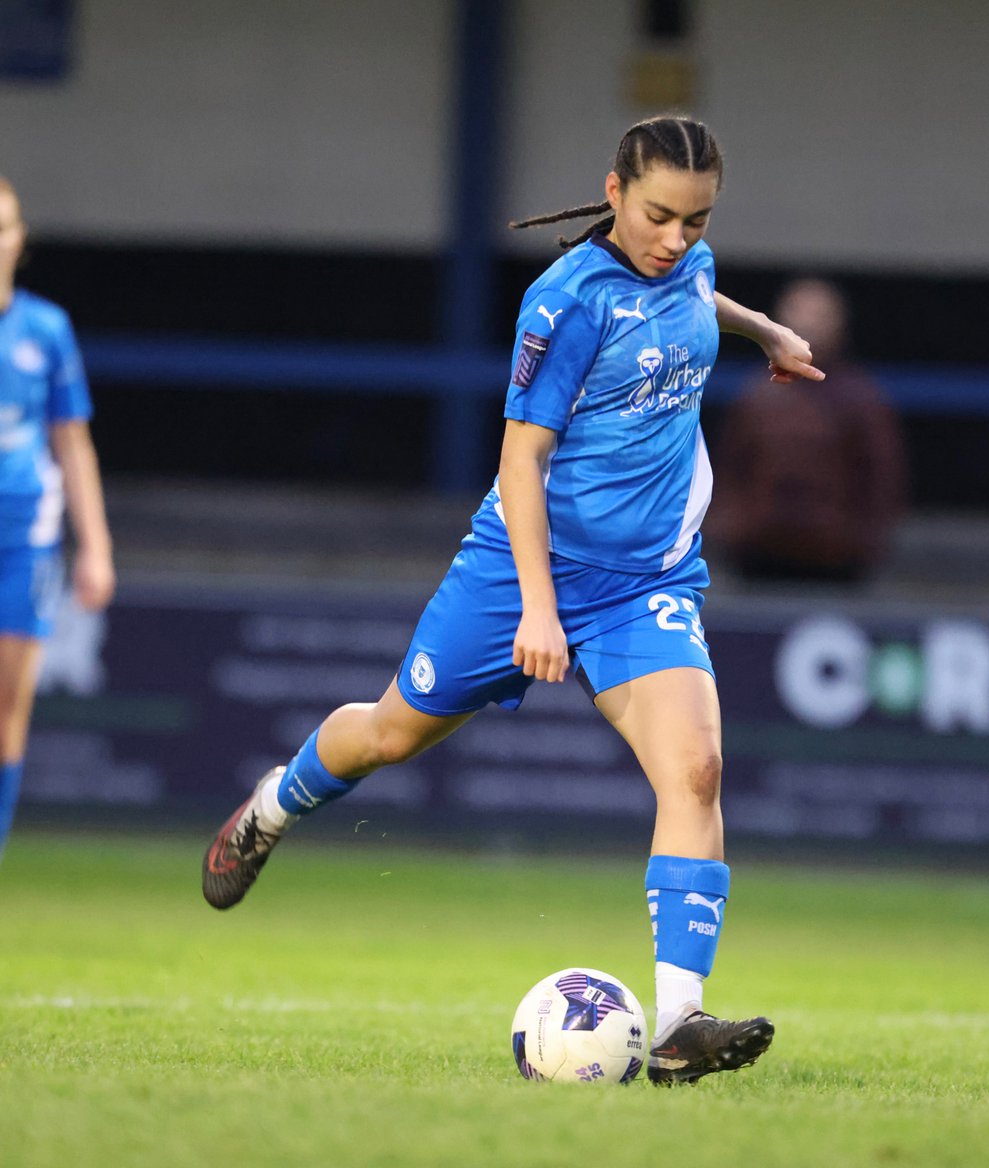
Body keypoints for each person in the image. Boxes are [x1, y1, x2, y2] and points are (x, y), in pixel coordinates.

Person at [201, 116, 824, 1086]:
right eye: (659, 216)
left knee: (696, 769)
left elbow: (697, 293)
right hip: (518, 567)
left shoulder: (687, 266)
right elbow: (520, 463)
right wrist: (537, 607)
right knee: (391, 734)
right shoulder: (564, 302)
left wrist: (767, 331)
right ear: (613, 192)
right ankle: (273, 805)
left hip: (645, 581)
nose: (676, 239)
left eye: (697, 221)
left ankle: (679, 1026)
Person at [0, 175, 115, 858]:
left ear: (20, 240)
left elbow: (73, 443)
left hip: (24, 542)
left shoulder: (45, 329)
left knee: (6, 713)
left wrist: (95, 546)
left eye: (3, 228)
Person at [708, 278, 907, 582]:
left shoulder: (861, 398)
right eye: (799, 311)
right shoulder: (756, 395)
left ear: (839, 323)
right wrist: (732, 527)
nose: (808, 322)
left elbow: (882, 476)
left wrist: (864, 541)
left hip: (839, 561)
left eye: (819, 314)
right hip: (757, 556)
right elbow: (729, 467)